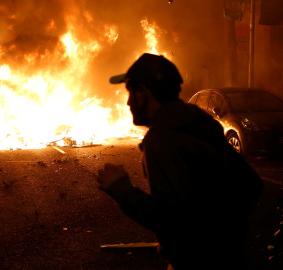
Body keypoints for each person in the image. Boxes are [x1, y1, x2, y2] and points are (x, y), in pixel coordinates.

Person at [96, 53, 264, 270]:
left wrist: (123, 191)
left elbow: (172, 219)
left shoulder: (163, 139)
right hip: (231, 257)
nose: (128, 103)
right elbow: (250, 184)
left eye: (130, 92)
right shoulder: (198, 122)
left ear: (143, 93)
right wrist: (222, 236)